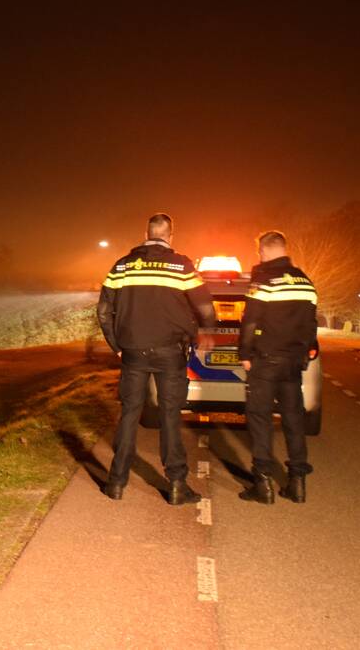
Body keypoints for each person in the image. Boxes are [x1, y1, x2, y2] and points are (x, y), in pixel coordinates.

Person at [97, 213, 216, 504]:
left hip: (133, 352)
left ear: (145, 233)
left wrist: (117, 347)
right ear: (170, 236)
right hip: (170, 352)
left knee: (129, 414)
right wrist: (206, 333)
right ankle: (176, 485)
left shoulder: (122, 266)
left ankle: (116, 483)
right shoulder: (181, 265)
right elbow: (205, 307)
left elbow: (103, 311)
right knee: (170, 415)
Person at [238, 231, 318, 504]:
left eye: (260, 252)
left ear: (265, 251)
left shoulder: (264, 280)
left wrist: (245, 352)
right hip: (293, 362)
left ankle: (263, 484)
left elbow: (250, 320)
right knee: (293, 420)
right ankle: (297, 483)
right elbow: (311, 324)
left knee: (260, 418)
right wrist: (305, 352)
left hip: (265, 359)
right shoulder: (305, 281)